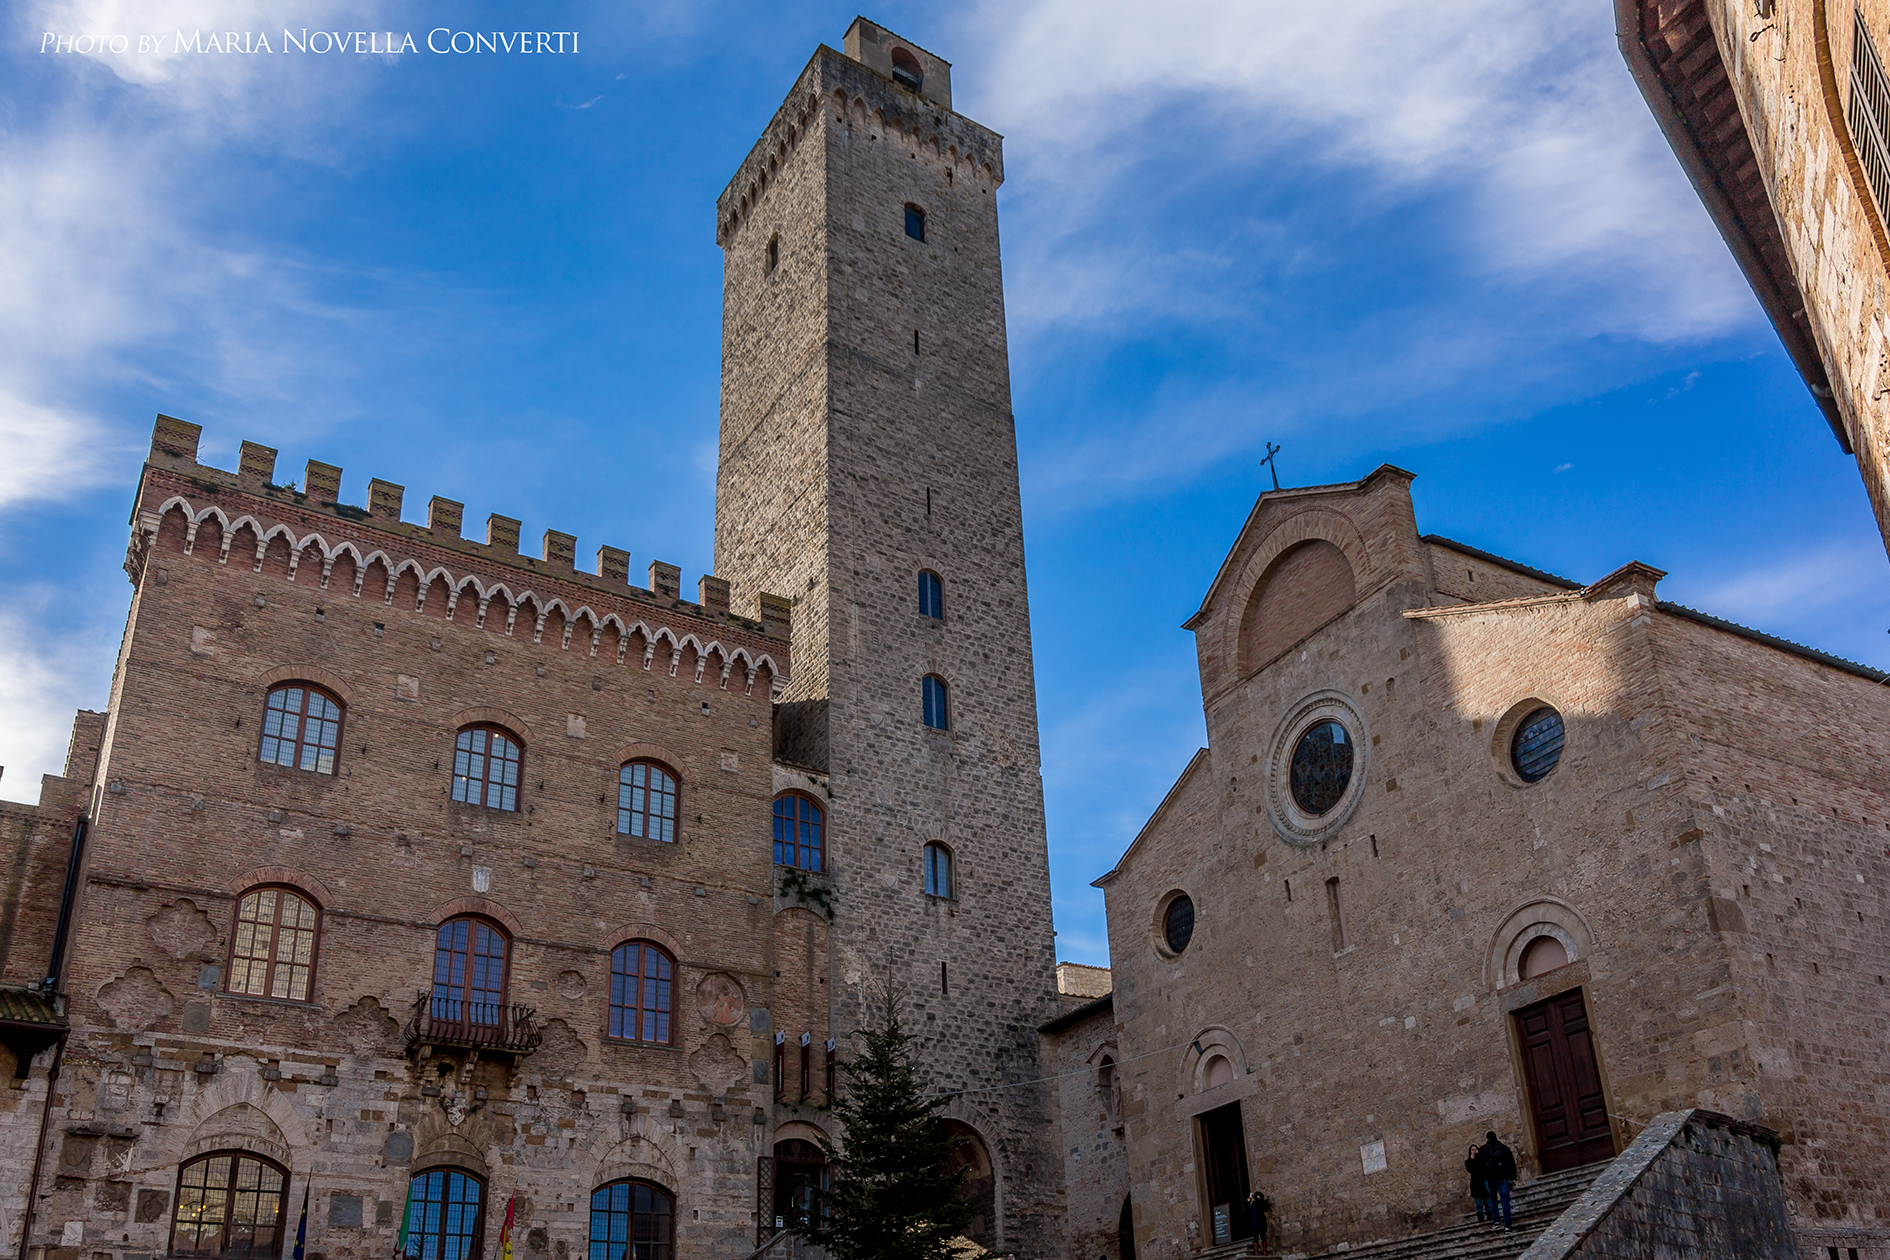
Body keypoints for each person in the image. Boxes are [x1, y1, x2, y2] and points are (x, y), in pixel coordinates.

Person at [1480, 1130, 1517, 1232]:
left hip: (1490, 1179)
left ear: (1487, 1138)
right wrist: (1513, 1178)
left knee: (1493, 1200)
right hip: (1503, 1178)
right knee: (1505, 1201)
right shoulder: (1504, 1149)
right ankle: (1507, 1226)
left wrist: (1484, 1177)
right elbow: (1511, 1164)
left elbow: (1480, 1165)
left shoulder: (1483, 1150)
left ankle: (1496, 1221)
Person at [1464, 1144, 1490, 1222]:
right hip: (1476, 1184)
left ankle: (1490, 1216)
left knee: (1487, 1202)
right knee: (1478, 1203)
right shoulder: (1468, 1161)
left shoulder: (1482, 1159)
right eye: (1472, 1150)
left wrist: (1478, 1157)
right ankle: (1481, 1218)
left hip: (1483, 1182)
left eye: (1475, 1149)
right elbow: (1470, 1169)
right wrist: (1472, 1159)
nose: (1474, 1151)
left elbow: (1482, 1166)